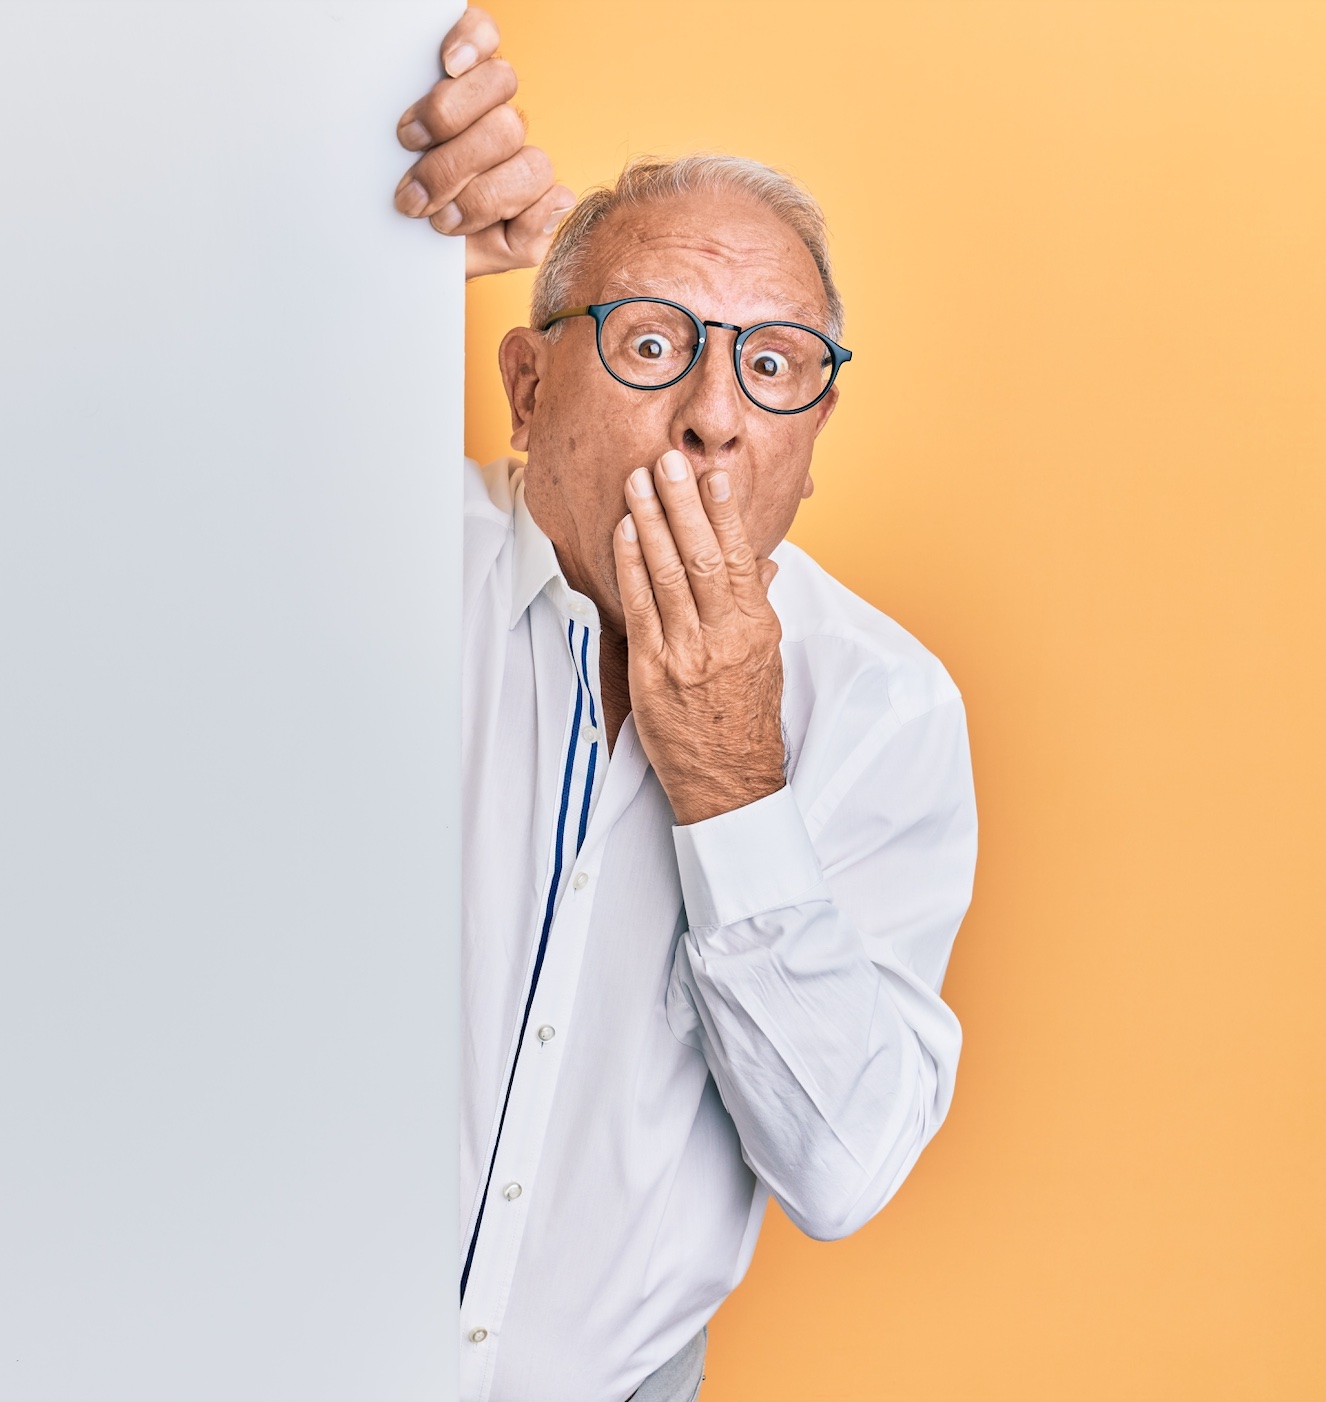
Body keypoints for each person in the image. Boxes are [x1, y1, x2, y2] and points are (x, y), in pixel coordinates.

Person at [395, 12, 977, 1402]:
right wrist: (323, 224)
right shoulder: (372, 570)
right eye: (652, 342)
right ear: (528, 387)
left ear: (809, 442)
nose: (714, 415)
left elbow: (841, 1167)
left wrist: (732, 784)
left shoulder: (885, 708)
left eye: (774, 366)